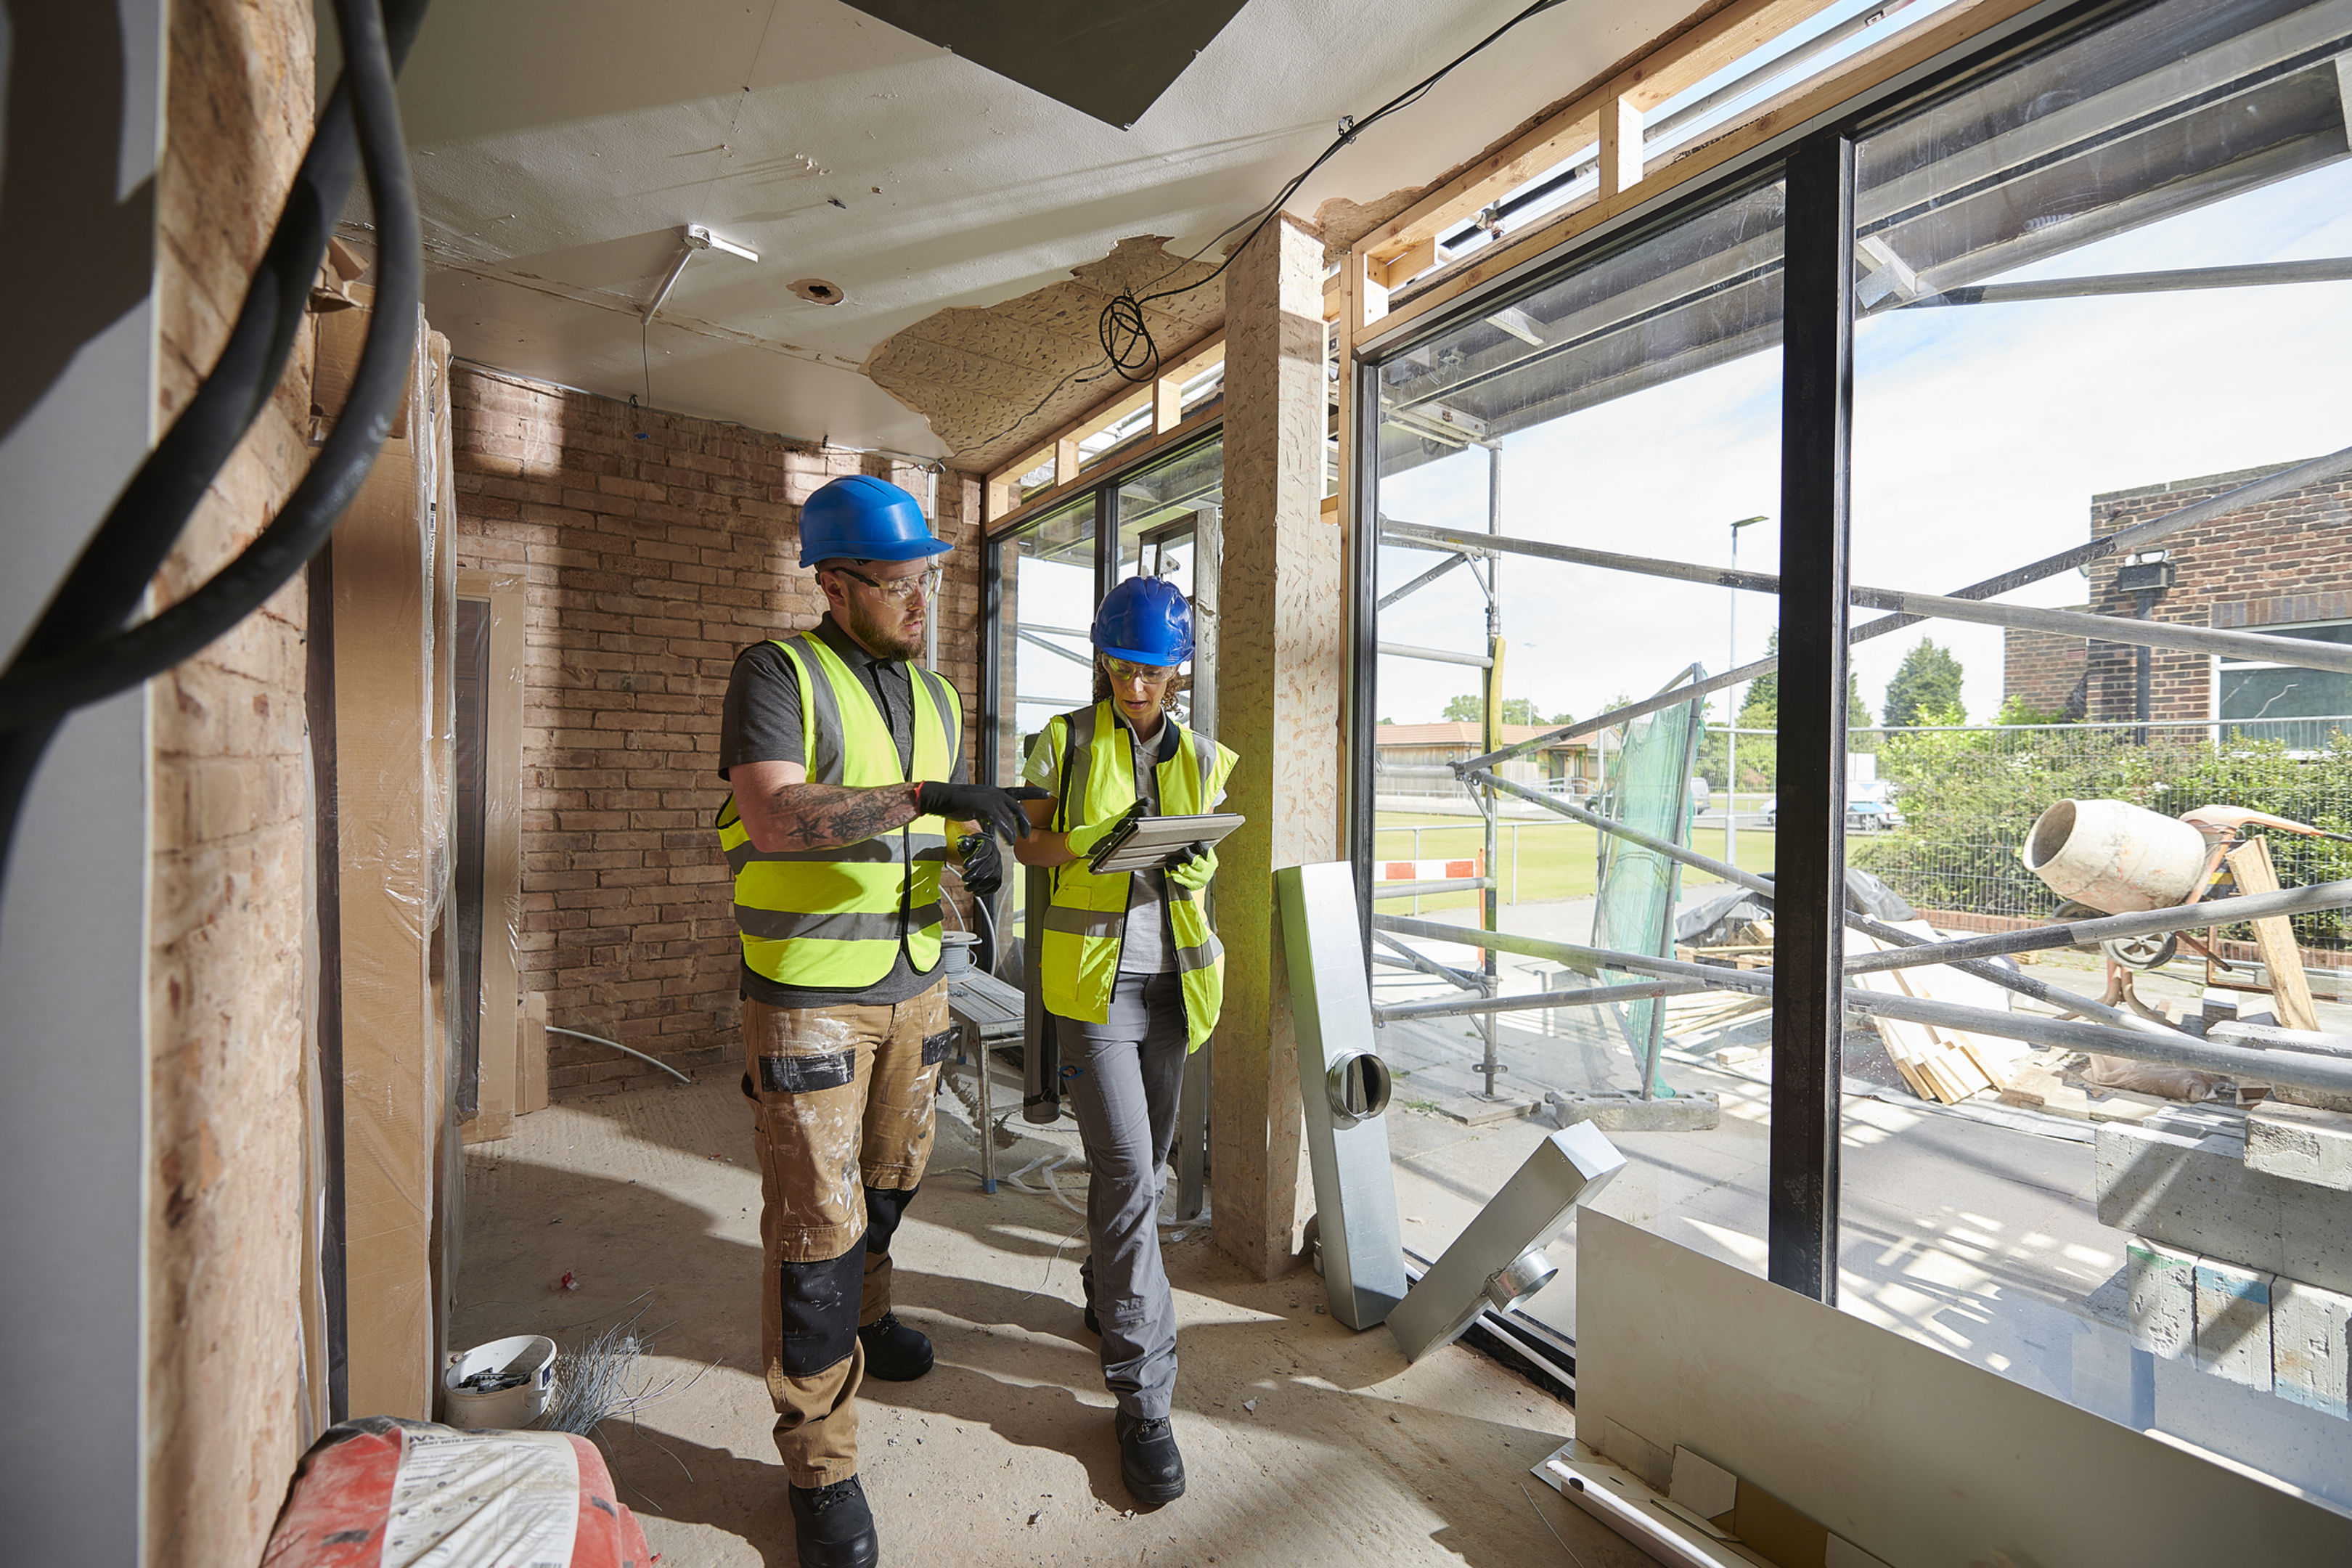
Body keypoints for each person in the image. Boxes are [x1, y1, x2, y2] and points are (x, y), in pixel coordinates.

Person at [716, 473, 1046, 1568]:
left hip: (917, 986)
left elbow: (933, 836)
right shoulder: (778, 674)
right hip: (811, 998)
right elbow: (771, 814)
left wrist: (975, 847)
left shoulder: (937, 698)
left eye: (927, 583)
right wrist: (923, 803)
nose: (920, 604)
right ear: (834, 582)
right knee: (816, 1233)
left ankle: (873, 1315)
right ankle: (821, 1464)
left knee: (894, 1181)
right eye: (901, 584)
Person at [1013, 575, 1236, 1507]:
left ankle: (1107, 1292)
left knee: (1142, 1171)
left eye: (1151, 670)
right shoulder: (1064, 741)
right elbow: (1027, 846)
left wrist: (1193, 854)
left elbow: (1206, 845)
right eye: (1120, 665)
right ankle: (1143, 1397)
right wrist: (1097, 838)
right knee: (1127, 1177)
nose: (1134, 685)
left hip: (1175, 985)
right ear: (1099, 655)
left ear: (1177, 670)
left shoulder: (1199, 752)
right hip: (1092, 991)